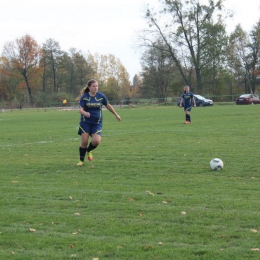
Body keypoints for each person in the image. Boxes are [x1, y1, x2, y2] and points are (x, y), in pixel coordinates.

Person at [76, 79, 121, 166]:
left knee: (96, 141)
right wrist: (85, 113)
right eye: (93, 86)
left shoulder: (101, 96)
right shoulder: (84, 97)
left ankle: (88, 150)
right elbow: (80, 109)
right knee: (84, 141)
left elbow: (108, 105)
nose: (95, 88)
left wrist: (116, 114)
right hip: (85, 122)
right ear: (89, 87)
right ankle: (81, 160)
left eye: (97, 86)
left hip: (97, 123)